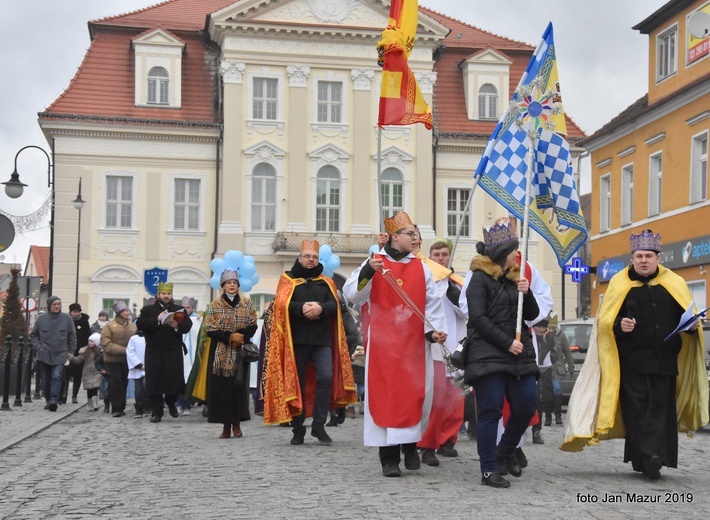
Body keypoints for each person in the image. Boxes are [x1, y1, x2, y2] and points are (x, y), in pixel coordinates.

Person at [562, 229, 709, 479]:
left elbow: (685, 320)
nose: (644, 260)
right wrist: (620, 325)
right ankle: (648, 457)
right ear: (632, 258)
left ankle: (653, 459)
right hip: (632, 363)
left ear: (657, 259)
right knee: (638, 411)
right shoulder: (619, 284)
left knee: (660, 411)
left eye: (649, 256)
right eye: (639, 255)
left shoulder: (674, 283)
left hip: (665, 362)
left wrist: (693, 328)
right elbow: (606, 323)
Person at [343, 211, 447, 477]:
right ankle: (388, 458)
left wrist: (433, 332)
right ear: (395, 237)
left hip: (413, 345)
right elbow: (353, 295)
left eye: (415, 234)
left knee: (413, 397)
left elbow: (432, 304)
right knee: (387, 400)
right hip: (383, 347)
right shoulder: (375, 262)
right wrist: (368, 270)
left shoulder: (422, 267)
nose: (415, 238)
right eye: (410, 234)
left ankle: (410, 447)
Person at [463, 217, 540, 488]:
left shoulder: (515, 278)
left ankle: (505, 450)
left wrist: (526, 293)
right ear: (499, 254)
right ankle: (488, 470)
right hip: (488, 355)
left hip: (519, 356)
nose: (516, 255)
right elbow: (478, 319)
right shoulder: (479, 279)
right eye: (512, 251)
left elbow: (532, 314)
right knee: (490, 411)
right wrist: (506, 342)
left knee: (526, 406)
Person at [263, 239, 357, 446]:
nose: (311, 260)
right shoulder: (287, 280)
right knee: (298, 383)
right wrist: (303, 308)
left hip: (322, 340)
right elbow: (281, 305)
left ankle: (319, 425)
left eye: (314, 257)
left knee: (326, 377)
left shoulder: (326, 282)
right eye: (307, 256)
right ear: (299, 258)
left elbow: (335, 305)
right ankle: (298, 429)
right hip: (295, 342)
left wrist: (321, 309)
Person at [417, 238, 467, 467]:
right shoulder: (426, 280)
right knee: (436, 399)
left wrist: (451, 287)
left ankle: (448, 439)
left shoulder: (457, 283)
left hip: (455, 347)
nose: (440, 258)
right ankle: (427, 445)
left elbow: (466, 311)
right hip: (434, 347)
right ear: (430, 257)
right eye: (436, 255)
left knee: (455, 399)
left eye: (444, 254)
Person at [202, 270, 258, 438]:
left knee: (238, 388)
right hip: (221, 353)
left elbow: (253, 324)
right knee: (223, 390)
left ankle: (237, 424)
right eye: (228, 283)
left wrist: (240, 336)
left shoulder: (246, 304)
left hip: (239, 352)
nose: (232, 285)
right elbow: (210, 328)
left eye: (234, 282)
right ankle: (226, 426)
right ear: (223, 286)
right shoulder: (216, 305)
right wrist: (228, 337)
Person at [136, 281, 193, 423]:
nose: (166, 296)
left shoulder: (179, 309)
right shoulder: (148, 310)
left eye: (168, 294)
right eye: (164, 293)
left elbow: (187, 326)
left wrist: (176, 326)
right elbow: (141, 324)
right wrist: (158, 319)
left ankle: (171, 402)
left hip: (173, 351)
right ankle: (157, 412)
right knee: (154, 382)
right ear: (158, 295)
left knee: (174, 381)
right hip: (154, 351)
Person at [30, 296, 77, 411]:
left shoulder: (67, 319)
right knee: (45, 380)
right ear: (49, 305)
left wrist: (71, 351)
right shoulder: (41, 319)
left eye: (58, 304)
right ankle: (48, 398)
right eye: (54, 304)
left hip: (60, 353)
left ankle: (54, 399)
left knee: (57, 376)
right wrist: (39, 347)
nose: (57, 306)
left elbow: (72, 336)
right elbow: (33, 335)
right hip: (44, 353)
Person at [100, 301, 136, 418]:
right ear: (119, 313)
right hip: (113, 359)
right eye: (125, 311)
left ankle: (121, 407)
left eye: (128, 310)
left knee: (124, 383)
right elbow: (106, 343)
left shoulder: (132, 325)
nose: (128, 312)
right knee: (116, 382)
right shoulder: (109, 326)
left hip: (127, 360)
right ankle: (116, 408)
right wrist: (124, 350)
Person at [547, 314, 574, 425]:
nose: (551, 330)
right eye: (550, 327)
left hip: (558, 368)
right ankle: (548, 417)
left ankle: (558, 415)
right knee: (547, 393)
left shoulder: (561, 336)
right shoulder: (544, 335)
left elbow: (567, 352)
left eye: (553, 327)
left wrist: (571, 366)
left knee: (557, 390)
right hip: (546, 369)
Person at [531, 319, 555, 439]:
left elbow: (555, 354)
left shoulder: (548, 340)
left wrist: (550, 357)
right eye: (538, 327)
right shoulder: (529, 338)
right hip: (530, 373)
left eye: (543, 327)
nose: (541, 330)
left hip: (544, 375)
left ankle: (537, 430)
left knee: (540, 403)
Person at [63, 303, 90, 404]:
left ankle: (74, 396)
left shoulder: (84, 322)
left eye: (78, 312)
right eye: (74, 312)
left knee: (77, 375)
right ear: (70, 312)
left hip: (79, 351)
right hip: (67, 351)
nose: (76, 314)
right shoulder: (66, 321)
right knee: (65, 374)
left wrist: (83, 349)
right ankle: (64, 394)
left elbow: (87, 336)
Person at [177, 296, 200, 416]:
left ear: (193, 308)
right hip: (179, 353)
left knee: (189, 381)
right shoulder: (176, 317)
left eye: (188, 307)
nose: (185, 309)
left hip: (192, 356)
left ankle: (187, 404)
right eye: (183, 307)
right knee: (178, 379)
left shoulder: (197, 319)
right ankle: (178, 403)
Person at [72, 332, 102, 411]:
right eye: (89, 341)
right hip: (87, 372)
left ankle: (95, 403)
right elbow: (79, 360)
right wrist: (72, 358)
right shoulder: (84, 351)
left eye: (92, 341)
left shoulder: (100, 352)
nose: (90, 343)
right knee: (89, 388)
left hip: (96, 371)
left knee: (95, 387)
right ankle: (90, 403)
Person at [126, 329, 147, 418]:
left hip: (149, 367)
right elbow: (130, 352)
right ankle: (139, 409)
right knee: (138, 390)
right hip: (137, 368)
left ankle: (148, 407)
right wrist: (138, 364)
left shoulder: (151, 336)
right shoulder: (133, 339)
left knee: (147, 387)